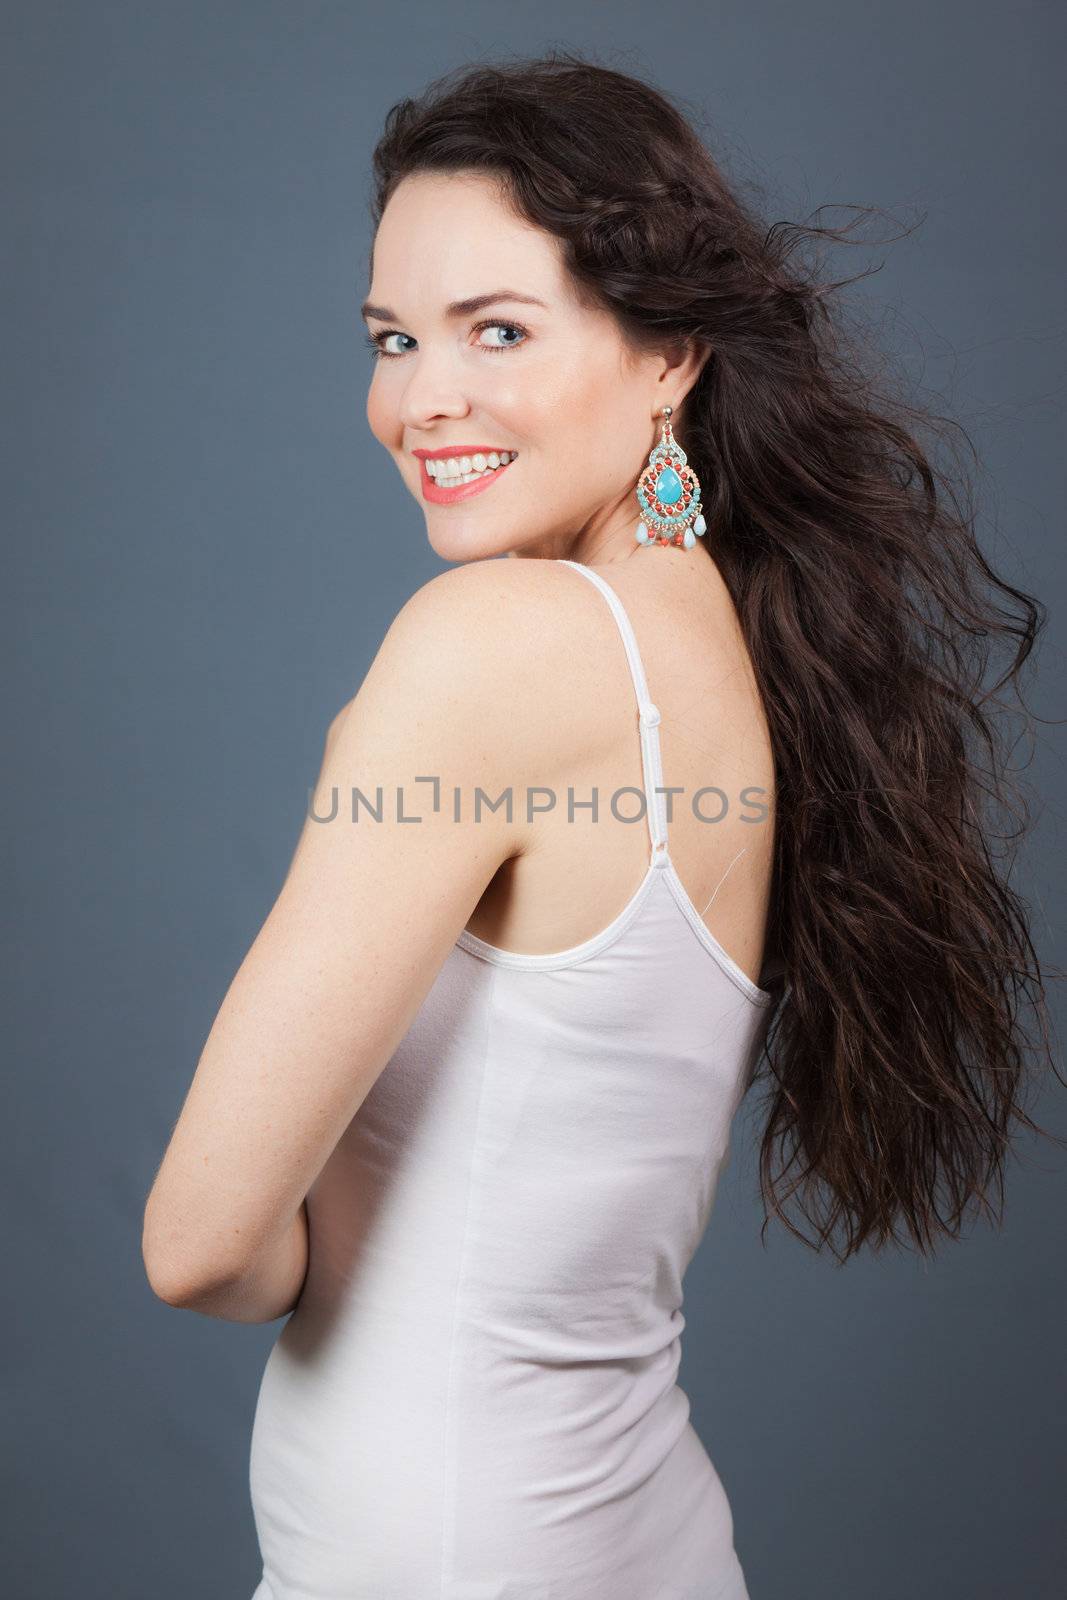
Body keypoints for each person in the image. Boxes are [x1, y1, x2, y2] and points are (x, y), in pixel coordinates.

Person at [141, 51, 1062, 1600]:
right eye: (391, 337)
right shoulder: (719, 641)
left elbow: (201, 1245)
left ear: (670, 356)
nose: (423, 398)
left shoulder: (500, 643)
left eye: (498, 330)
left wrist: (306, 1254)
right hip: (633, 1534)